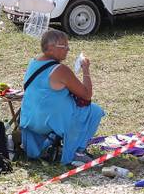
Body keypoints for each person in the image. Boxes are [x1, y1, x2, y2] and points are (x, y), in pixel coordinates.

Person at [20, 29, 105, 166]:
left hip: (29, 119)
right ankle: (78, 152)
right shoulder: (60, 70)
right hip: (48, 121)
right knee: (94, 111)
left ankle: (52, 141)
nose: (68, 49)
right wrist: (86, 70)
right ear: (51, 48)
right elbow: (86, 94)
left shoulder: (33, 62)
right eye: (64, 46)